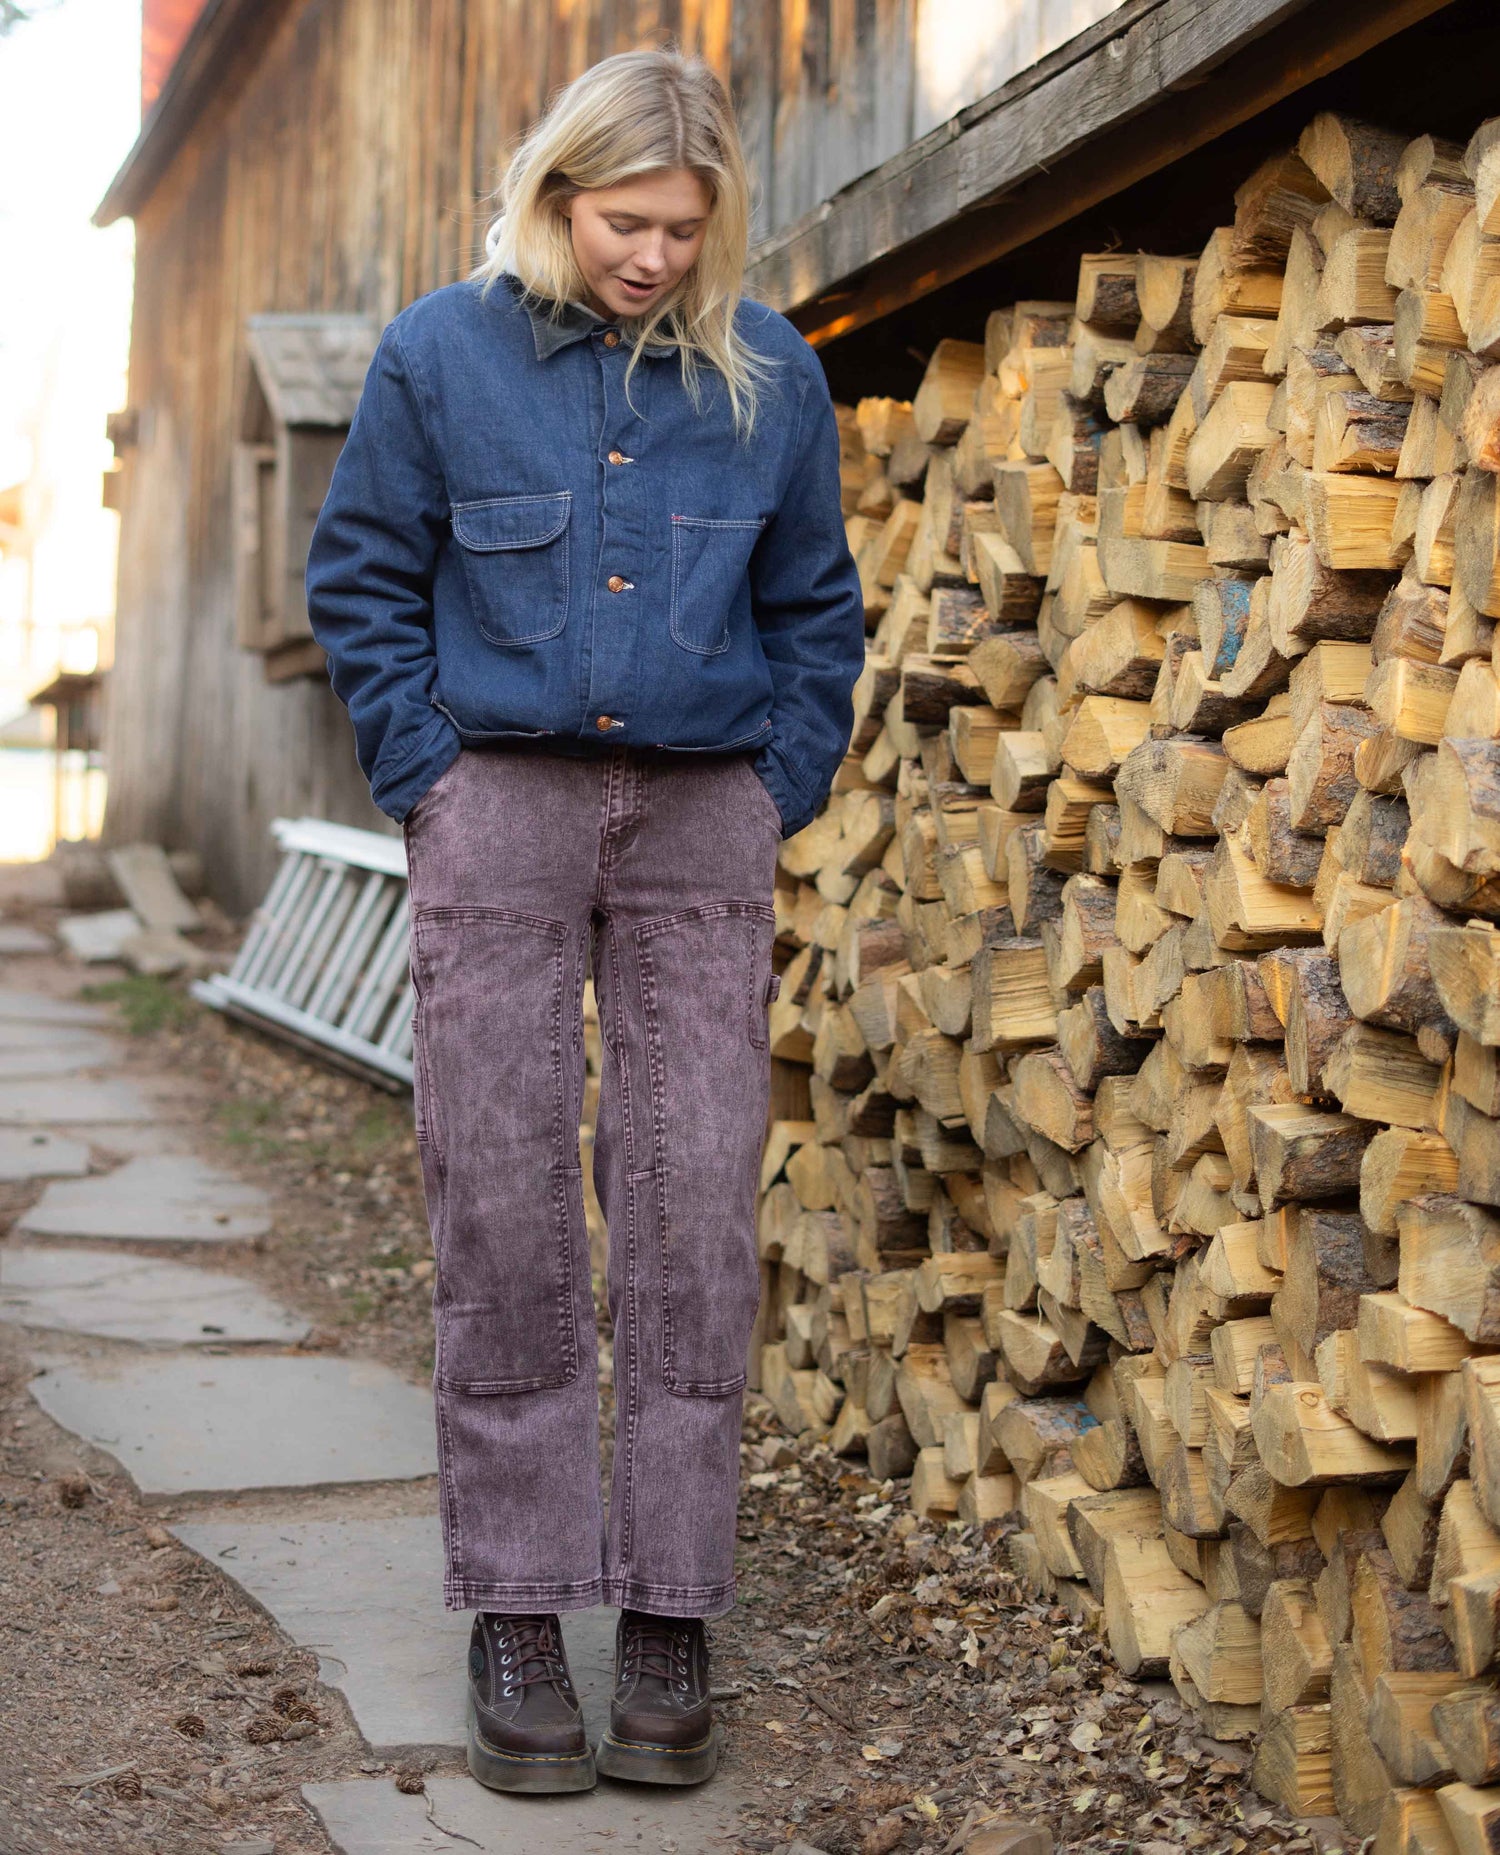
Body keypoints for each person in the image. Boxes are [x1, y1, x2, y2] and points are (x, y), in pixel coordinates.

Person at [304, 45, 866, 1796]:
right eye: (628, 222)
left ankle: (675, 1607)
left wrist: (773, 785)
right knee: (506, 1203)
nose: (657, 258)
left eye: (688, 229)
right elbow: (363, 577)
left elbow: (820, 612)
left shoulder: (768, 374)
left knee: (694, 1210)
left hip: (704, 816)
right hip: (504, 813)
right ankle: (525, 1611)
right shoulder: (437, 353)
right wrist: (433, 778)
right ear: (557, 196)